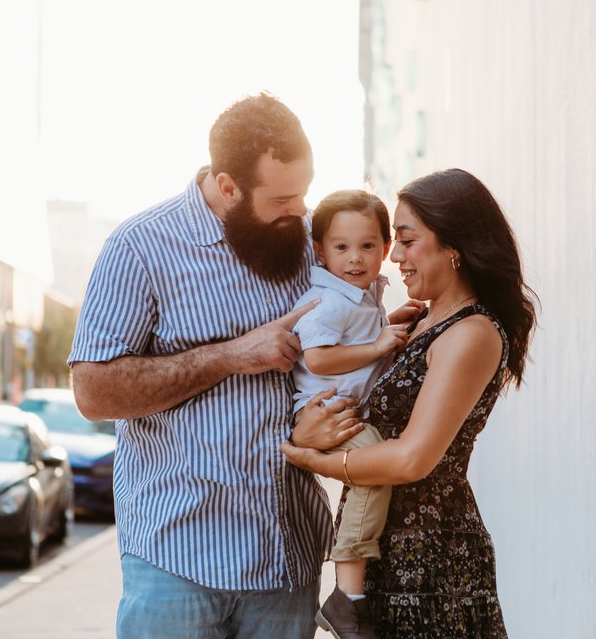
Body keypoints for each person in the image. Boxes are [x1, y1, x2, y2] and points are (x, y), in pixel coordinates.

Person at [69, 92, 364, 639]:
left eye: (305, 191)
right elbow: (93, 392)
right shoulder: (139, 247)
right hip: (176, 563)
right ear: (227, 186)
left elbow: (350, 339)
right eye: (283, 198)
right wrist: (232, 355)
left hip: (286, 560)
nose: (302, 210)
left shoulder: (308, 244)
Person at [283, 168, 538, 638]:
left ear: (454, 246)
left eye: (405, 240)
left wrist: (313, 458)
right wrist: (308, 429)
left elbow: (411, 458)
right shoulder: (418, 322)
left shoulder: (471, 332)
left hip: (430, 560)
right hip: (385, 550)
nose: (393, 256)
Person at [288, 190, 423, 637]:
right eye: (341, 247)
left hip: (348, 408)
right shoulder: (329, 298)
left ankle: (348, 591)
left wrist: (390, 326)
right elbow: (321, 359)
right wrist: (377, 345)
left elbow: (365, 341)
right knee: (373, 469)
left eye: (367, 246)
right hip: (327, 410)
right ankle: (346, 597)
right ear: (320, 250)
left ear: (386, 248)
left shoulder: (365, 295)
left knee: (373, 467)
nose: (354, 258)